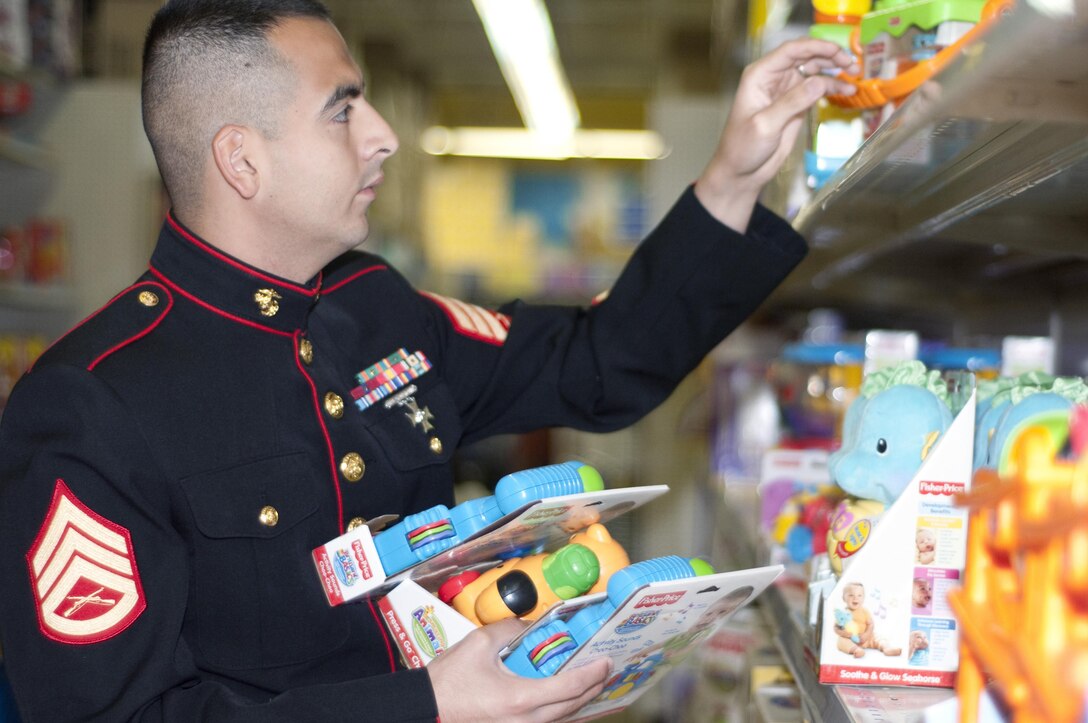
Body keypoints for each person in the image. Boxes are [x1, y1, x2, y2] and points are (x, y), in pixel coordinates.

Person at [0, 0, 858, 720]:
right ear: (241, 159)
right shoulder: (95, 403)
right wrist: (429, 704)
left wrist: (733, 180)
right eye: (343, 109)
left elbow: (599, 362)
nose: (382, 136)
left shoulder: (376, 309)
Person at [834, 582, 902, 658]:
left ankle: (886, 648)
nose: (855, 598)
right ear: (843, 598)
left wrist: (866, 634)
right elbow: (836, 628)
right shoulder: (842, 614)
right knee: (841, 641)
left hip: (866, 638)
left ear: (863, 598)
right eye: (851, 595)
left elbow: (871, 624)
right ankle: (856, 650)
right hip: (851, 639)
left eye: (859, 595)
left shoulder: (864, 611)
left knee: (878, 637)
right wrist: (844, 634)